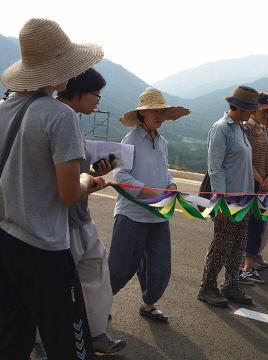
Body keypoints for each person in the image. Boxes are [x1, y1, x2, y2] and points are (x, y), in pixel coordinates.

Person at [0, 18, 104, 359]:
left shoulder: (1, 108)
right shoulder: (59, 116)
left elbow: (5, 168)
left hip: (3, 238)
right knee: (69, 341)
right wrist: (88, 180)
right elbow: (68, 194)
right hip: (44, 246)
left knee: (12, 334)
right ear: (59, 69)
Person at [54, 67, 125, 354]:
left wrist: (93, 175)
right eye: (96, 94)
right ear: (79, 92)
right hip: (60, 219)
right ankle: (42, 338)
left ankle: (95, 332)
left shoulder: (72, 120)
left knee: (95, 272)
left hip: (80, 215)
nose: (98, 100)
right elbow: (65, 184)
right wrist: (86, 179)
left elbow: (74, 174)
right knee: (59, 283)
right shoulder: (62, 118)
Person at [109, 87, 189, 323]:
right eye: (153, 111)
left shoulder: (162, 142)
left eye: (161, 111)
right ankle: (98, 305)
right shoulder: (129, 140)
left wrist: (171, 184)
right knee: (120, 266)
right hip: (131, 214)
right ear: (142, 114)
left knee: (159, 266)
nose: (158, 115)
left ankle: (148, 304)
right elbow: (120, 176)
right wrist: (146, 190)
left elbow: (165, 173)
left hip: (158, 214)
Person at [198, 85, 258, 307]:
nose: (253, 113)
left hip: (243, 198)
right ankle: (208, 286)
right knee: (222, 243)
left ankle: (231, 284)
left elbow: (244, 165)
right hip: (227, 199)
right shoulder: (221, 128)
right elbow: (215, 168)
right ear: (241, 108)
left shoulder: (242, 130)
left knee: (238, 244)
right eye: (251, 109)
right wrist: (220, 201)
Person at [239, 93, 268, 285]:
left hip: (263, 183)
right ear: (254, 109)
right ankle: (240, 267)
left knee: (258, 225)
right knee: (246, 225)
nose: (267, 115)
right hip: (251, 182)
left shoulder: (264, 130)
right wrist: (259, 179)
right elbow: (247, 158)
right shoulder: (245, 128)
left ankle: (248, 267)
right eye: (264, 111)